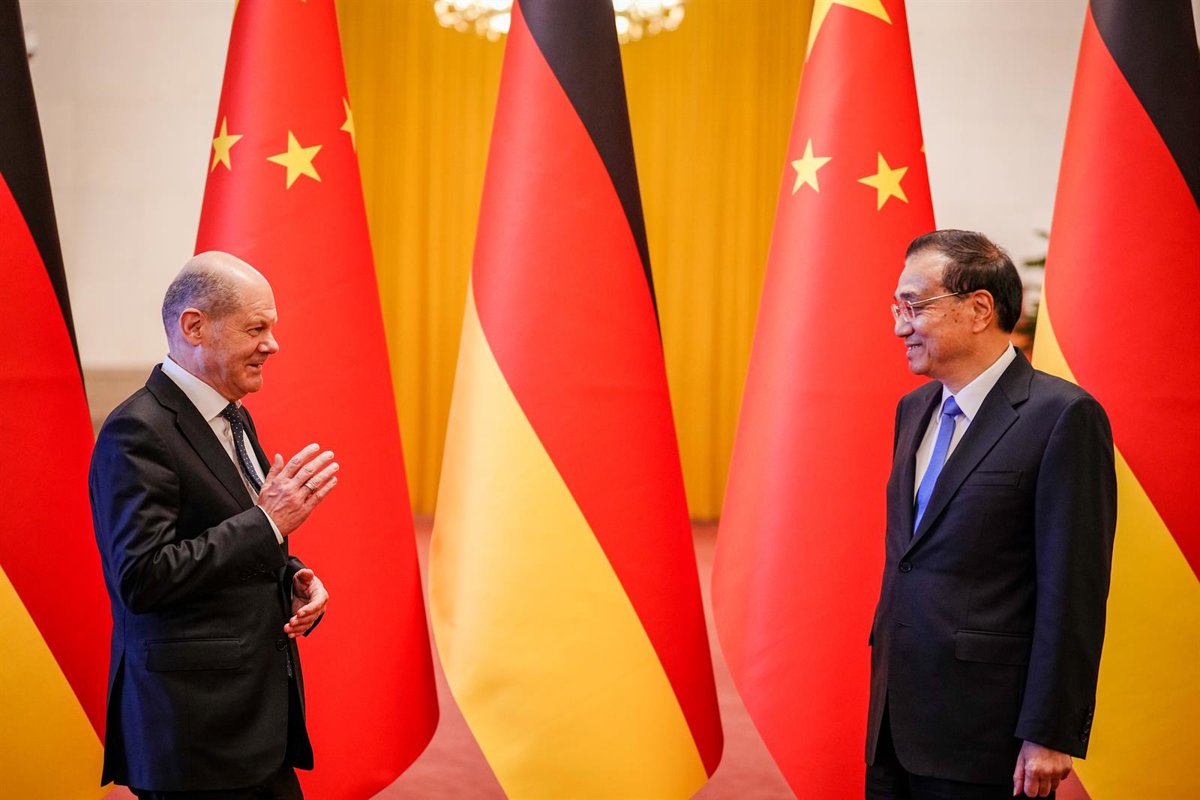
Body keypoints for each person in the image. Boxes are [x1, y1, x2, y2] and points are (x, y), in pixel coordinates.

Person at [865, 230, 1117, 799]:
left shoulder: (1062, 416)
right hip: (895, 718)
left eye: (914, 306)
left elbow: (1074, 590)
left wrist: (1050, 731)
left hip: (988, 731)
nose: (900, 327)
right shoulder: (914, 409)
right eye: (896, 308)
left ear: (979, 309)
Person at [89, 251, 339, 799]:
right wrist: (268, 523)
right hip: (192, 734)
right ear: (194, 327)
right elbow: (142, 577)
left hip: (252, 724)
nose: (273, 344)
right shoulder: (138, 431)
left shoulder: (233, 415)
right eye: (256, 328)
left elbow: (226, 532)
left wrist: (292, 576)